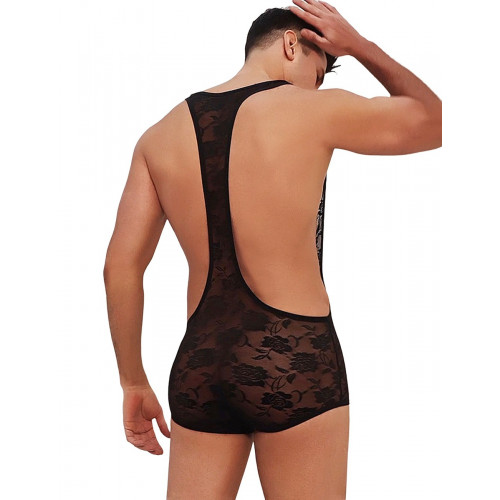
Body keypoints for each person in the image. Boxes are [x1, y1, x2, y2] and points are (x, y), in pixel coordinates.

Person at [103, 1, 441, 498]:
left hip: (200, 362)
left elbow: (120, 268)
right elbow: (435, 120)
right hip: (294, 352)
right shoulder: (313, 109)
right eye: (317, 74)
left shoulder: (158, 136)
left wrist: (133, 381)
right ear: (291, 44)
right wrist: (359, 46)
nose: (315, 87)